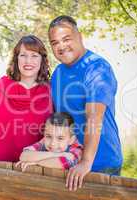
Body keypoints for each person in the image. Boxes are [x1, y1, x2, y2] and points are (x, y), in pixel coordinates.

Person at [49, 16, 123, 191]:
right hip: (68, 161)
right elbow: (57, 121)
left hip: (100, 163)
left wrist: (86, 162)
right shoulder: (58, 73)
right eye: (55, 43)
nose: (61, 46)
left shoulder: (97, 68)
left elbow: (94, 117)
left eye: (66, 39)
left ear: (80, 36)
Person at [16, 112, 83, 171]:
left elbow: (63, 163)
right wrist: (60, 154)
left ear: (71, 140)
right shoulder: (45, 140)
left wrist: (36, 163)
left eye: (60, 138)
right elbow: (24, 156)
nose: (53, 143)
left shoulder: (76, 148)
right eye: (48, 136)